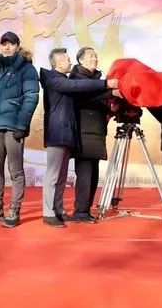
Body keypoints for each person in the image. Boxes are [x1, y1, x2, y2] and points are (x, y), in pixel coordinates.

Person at [39, 48, 118, 228]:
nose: (70, 62)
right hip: (57, 132)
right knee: (52, 175)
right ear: (58, 62)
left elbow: (84, 93)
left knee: (61, 176)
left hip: (68, 133)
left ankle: (58, 210)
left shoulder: (64, 79)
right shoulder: (53, 79)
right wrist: (106, 84)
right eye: (67, 59)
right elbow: (76, 86)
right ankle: (48, 212)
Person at [0, 31, 39, 228]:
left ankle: (14, 209)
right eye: (4, 44)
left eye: (11, 44)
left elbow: (31, 97)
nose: (7, 47)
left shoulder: (27, 69)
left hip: (13, 127)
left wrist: (22, 125)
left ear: (17, 46)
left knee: (15, 170)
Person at [67, 46, 115, 224]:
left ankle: (85, 209)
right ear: (80, 60)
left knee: (93, 174)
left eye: (95, 56)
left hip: (96, 132)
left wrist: (111, 107)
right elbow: (85, 96)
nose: (94, 59)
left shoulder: (97, 80)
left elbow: (98, 101)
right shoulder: (76, 79)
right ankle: (80, 211)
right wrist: (109, 91)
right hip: (83, 133)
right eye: (90, 56)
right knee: (85, 174)